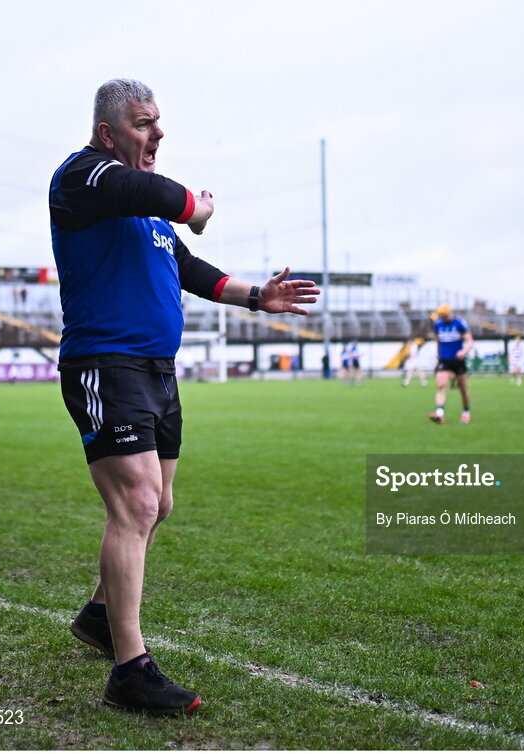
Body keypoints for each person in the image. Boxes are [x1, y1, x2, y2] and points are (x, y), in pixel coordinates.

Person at [50, 78, 319, 716]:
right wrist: (191, 200)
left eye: (160, 122)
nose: (159, 134)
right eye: (145, 124)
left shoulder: (145, 217)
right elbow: (144, 190)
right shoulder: (84, 178)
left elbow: (189, 267)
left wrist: (259, 295)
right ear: (108, 132)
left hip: (156, 372)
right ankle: (130, 671)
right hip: (104, 365)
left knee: (159, 504)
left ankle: (98, 613)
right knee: (138, 502)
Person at [428, 304, 473, 424]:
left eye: (445, 316)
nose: (443, 318)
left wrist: (463, 351)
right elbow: (438, 341)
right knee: (441, 385)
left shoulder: (459, 324)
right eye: (441, 316)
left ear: (450, 313)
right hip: (444, 360)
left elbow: (469, 341)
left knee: (462, 388)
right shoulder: (438, 325)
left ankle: (466, 412)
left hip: (458, 360)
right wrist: (438, 356)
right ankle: (439, 413)